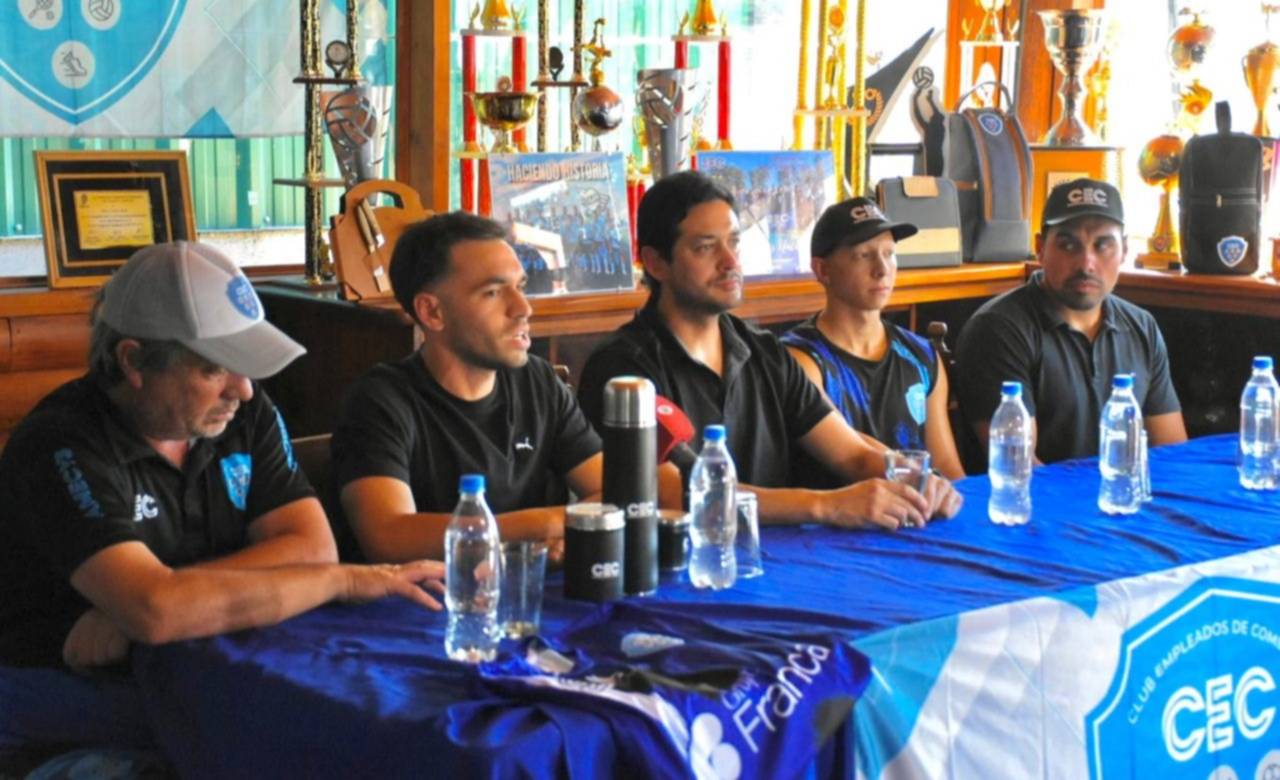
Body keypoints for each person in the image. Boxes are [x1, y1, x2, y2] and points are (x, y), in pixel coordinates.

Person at [0, 243, 443, 764]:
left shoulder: (239, 414)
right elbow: (157, 611)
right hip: (58, 693)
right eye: (215, 368)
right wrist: (342, 581)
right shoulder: (61, 442)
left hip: (198, 663)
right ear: (134, 361)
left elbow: (310, 549)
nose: (244, 390)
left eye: (245, 364)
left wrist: (154, 604)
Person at [578, 171, 962, 531]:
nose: (730, 262)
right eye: (706, 247)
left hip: (783, 558)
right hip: (683, 563)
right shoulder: (623, 371)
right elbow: (675, 493)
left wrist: (918, 480)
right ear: (656, 263)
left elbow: (852, 454)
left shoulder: (764, 352)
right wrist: (827, 505)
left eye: (734, 242)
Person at [331, 212, 603, 562]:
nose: (523, 308)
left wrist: (557, 531)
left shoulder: (539, 381)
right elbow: (388, 535)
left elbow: (612, 491)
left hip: (531, 587)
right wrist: (542, 524)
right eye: (493, 292)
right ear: (432, 313)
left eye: (520, 287)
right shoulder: (380, 401)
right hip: (433, 595)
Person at [955, 178, 1187, 464]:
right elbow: (1018, 468)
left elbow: (1173, 455)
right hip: (1041, 493)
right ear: (1040, 248)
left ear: (1124, 251)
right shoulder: (998, 329)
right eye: (1068, 245)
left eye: (1103, 245)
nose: (1086, 263)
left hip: (1122, 490)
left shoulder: (1142, 327)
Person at [782, 197, 965, 483]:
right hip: (839, 511)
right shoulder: (801, 360)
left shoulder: (922, 356)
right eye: (864, 255)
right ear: (822, 270)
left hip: (920, 505)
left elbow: (948, 469)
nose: (882, 269)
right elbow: (856, 458)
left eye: (889, 253)